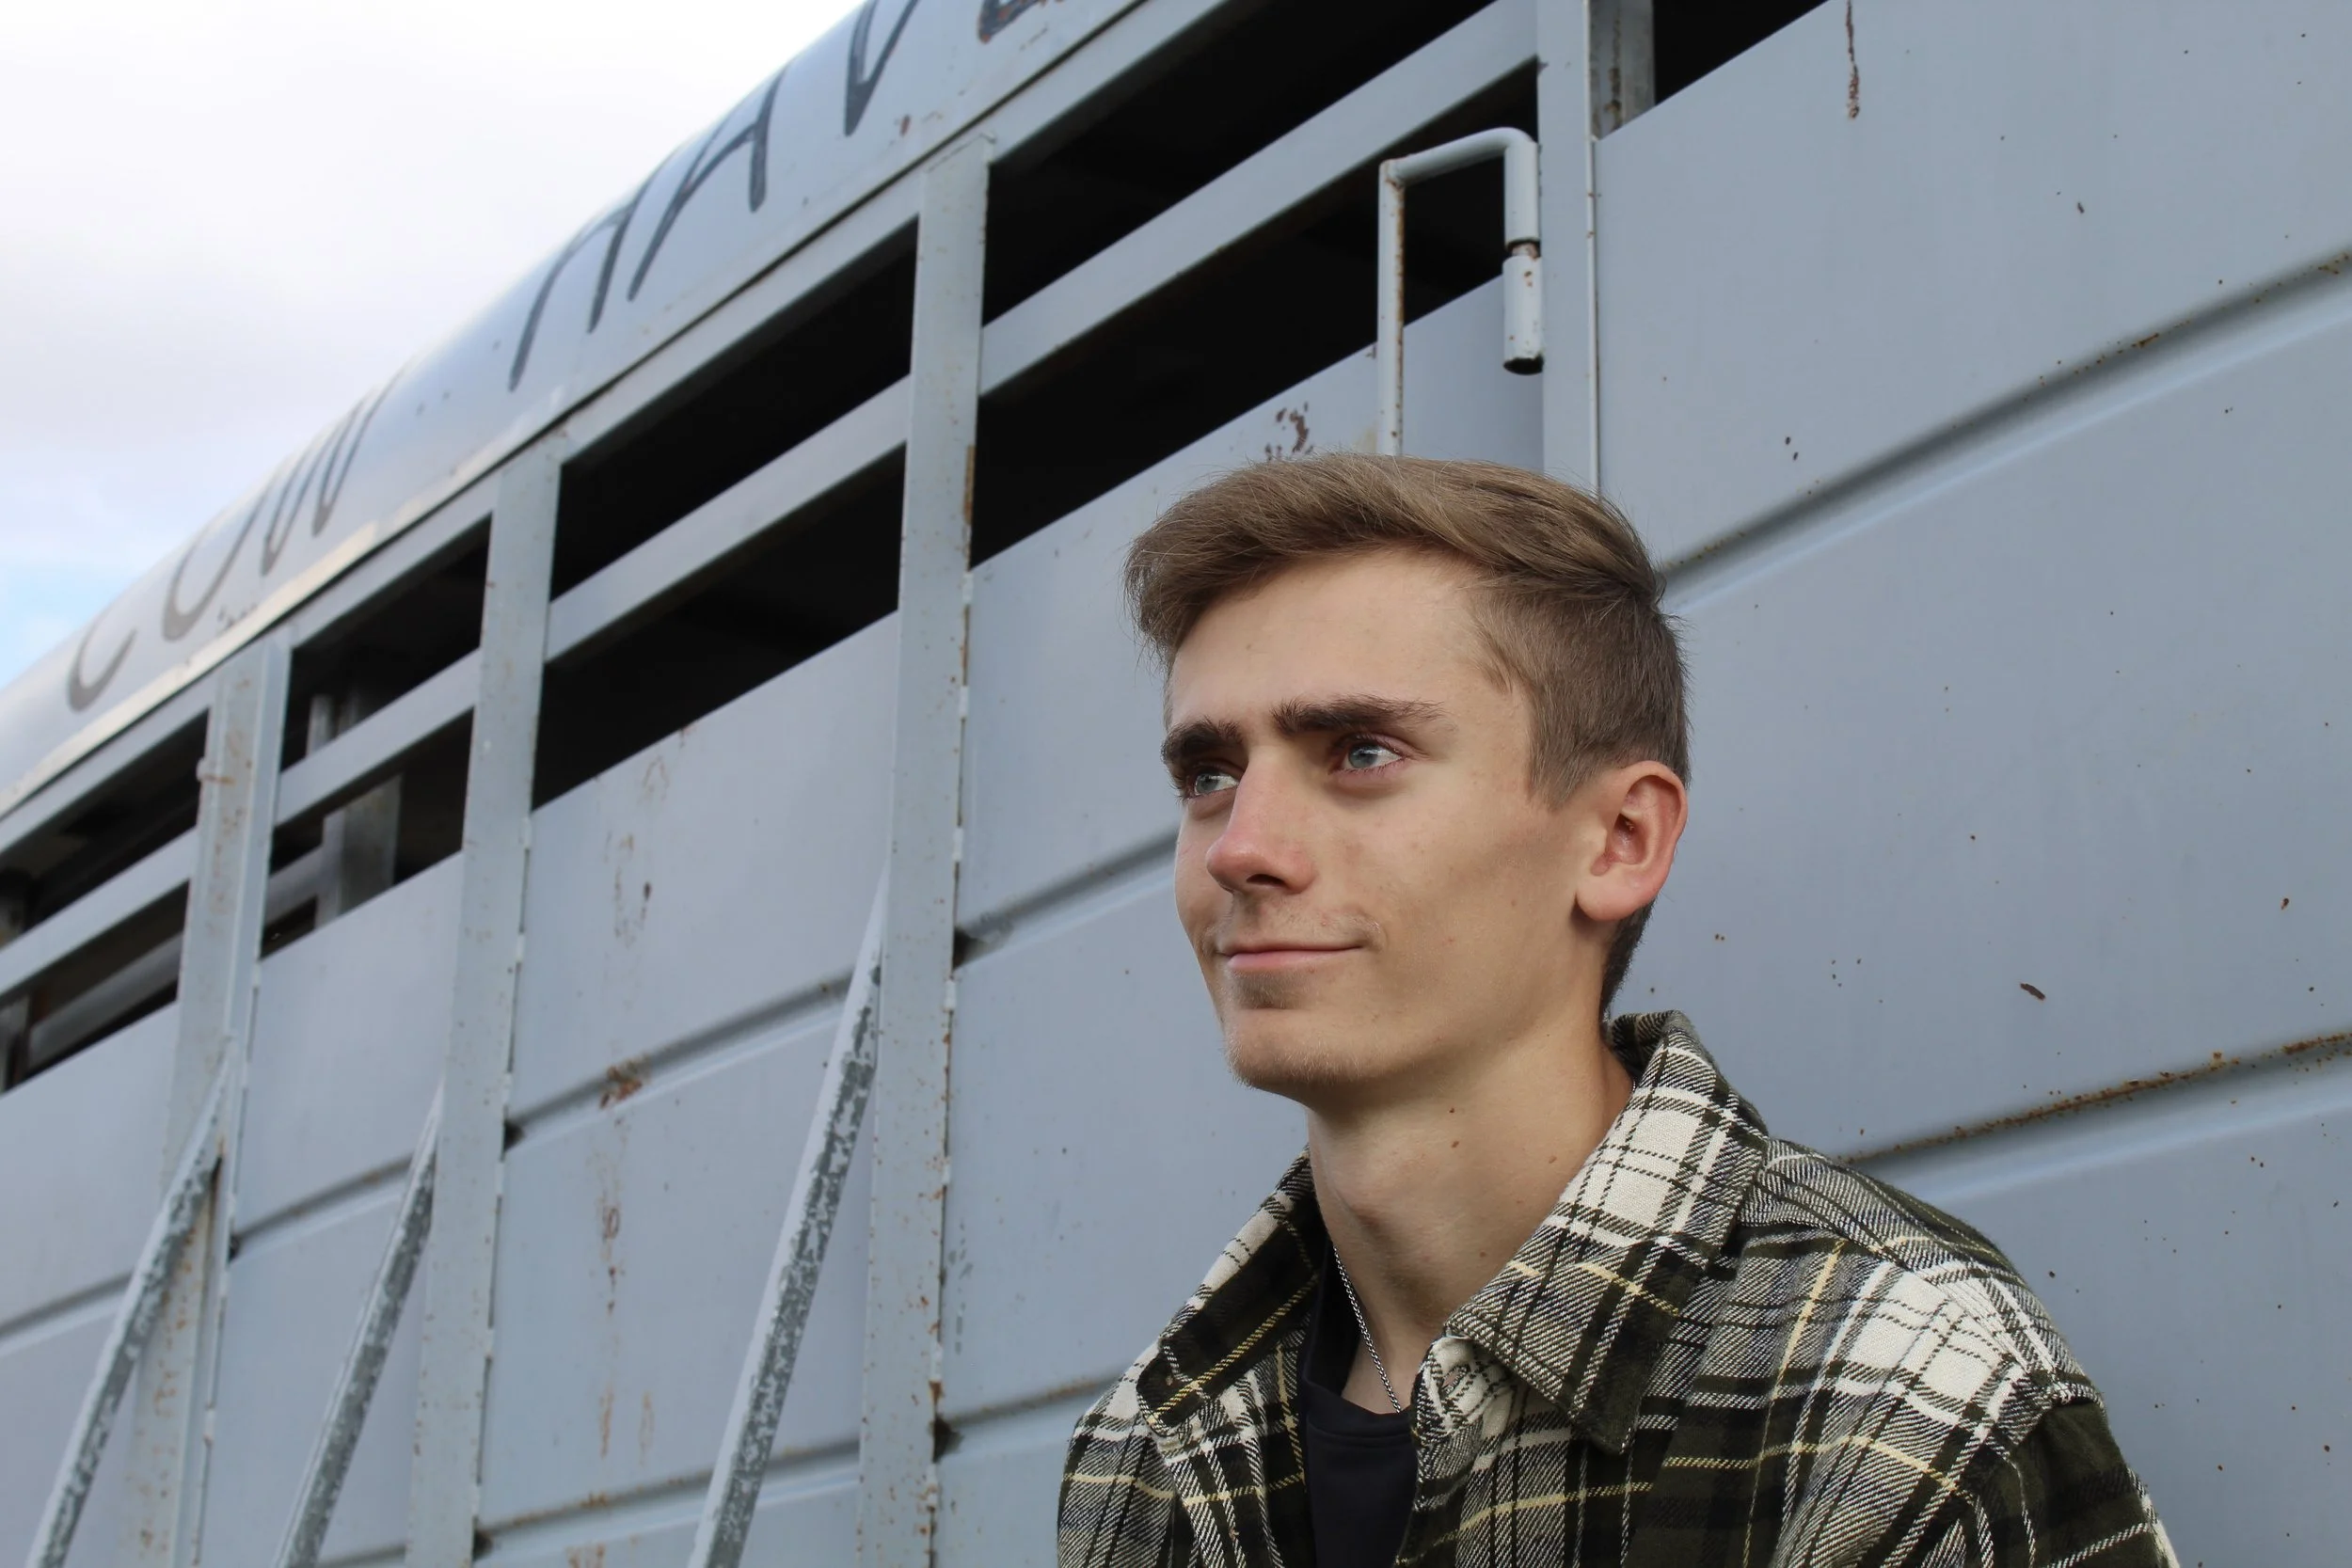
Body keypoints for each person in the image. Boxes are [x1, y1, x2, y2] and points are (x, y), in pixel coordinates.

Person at [1057, 456, 2174, 1567]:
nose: (1242, 845)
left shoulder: (1889, 1388)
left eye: (1360, 753)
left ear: (1619, 838)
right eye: (1208, 774)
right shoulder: (1148, 1446)